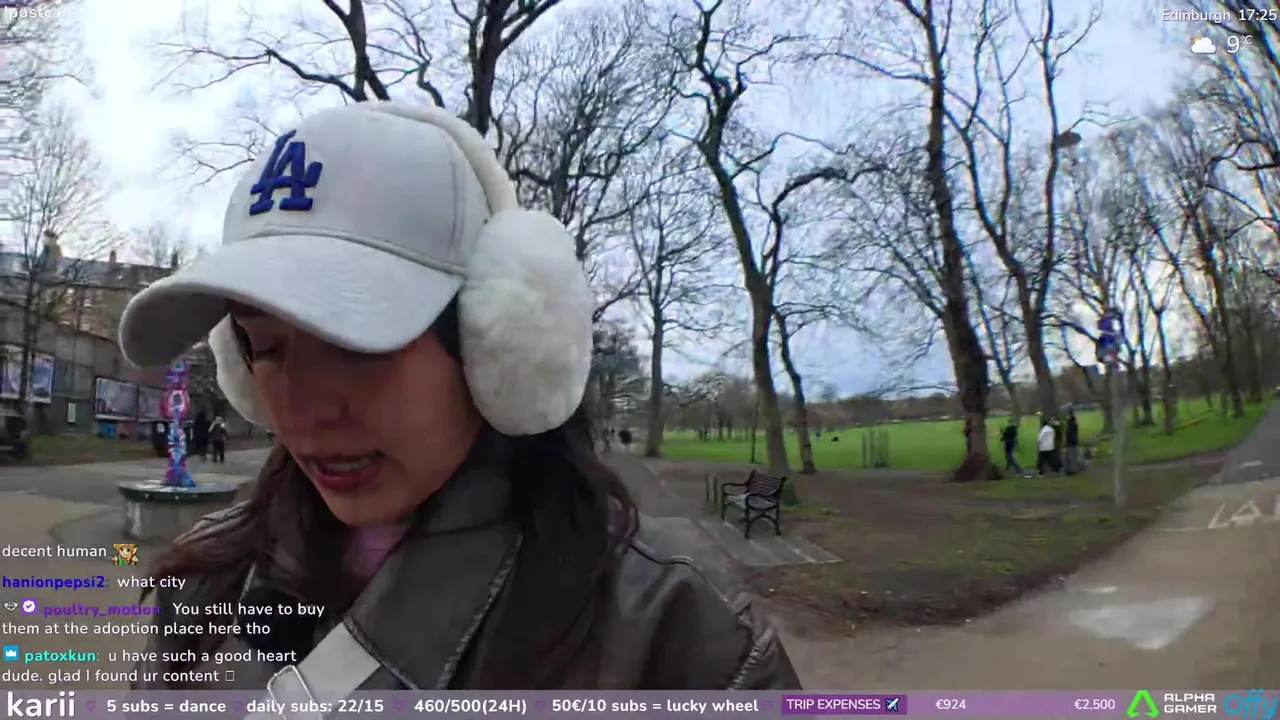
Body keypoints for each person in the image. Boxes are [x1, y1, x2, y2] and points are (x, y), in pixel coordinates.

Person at [116, 102, 799, 691]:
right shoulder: (208, 581)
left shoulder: (680, 639)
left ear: (495, 343)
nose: (305, 412)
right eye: (265, 349)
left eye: (358, 345)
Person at [1064, 409, 1081, 475]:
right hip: (1073, 442)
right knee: (1073, 456)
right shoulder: (1073, 423)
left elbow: (1068, 433)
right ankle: (1072, 469)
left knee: (1070, 456)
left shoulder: (1071, 424)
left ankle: (1071, 470)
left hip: (1071, 443)